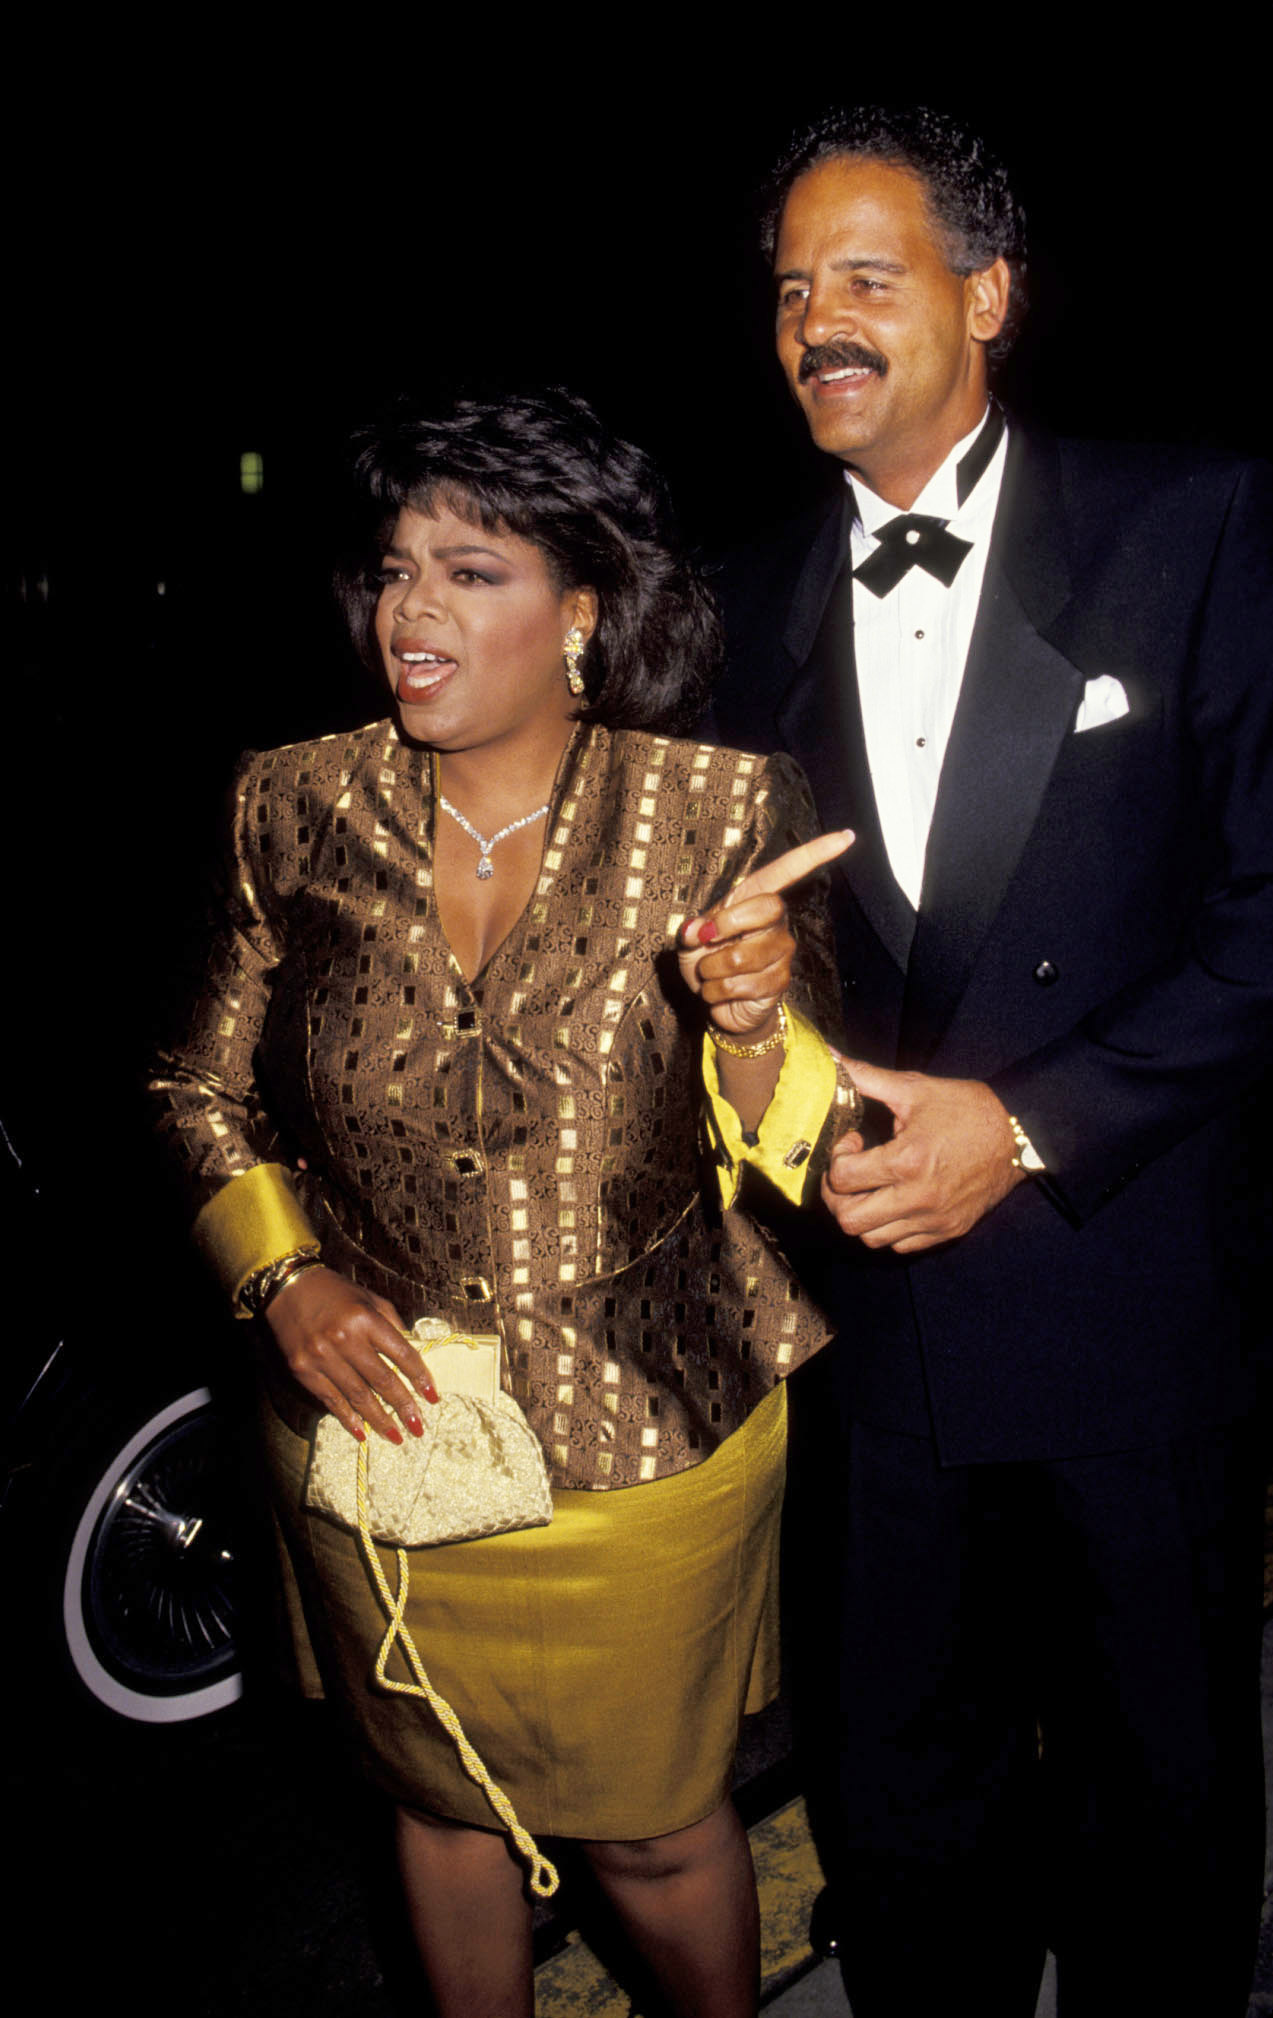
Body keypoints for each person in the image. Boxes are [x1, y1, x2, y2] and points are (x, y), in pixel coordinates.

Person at [150, 388, 856, 2018]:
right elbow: (191, 1086)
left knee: (656, 1833)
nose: (411, 611)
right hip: (379, 1426)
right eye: (397, 569)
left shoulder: (718, 813)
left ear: (584, 609)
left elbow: (805, 1145)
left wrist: (756, 1022)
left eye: (470, 572)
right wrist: (282, 1277)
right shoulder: (292, 802)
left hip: (648, 1432)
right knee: (437, 1805)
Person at [711, 106, 1273, 2016]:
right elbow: (748, 966)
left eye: (865, 277)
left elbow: (1267, 911)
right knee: (903, 1803)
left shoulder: (1191, 522)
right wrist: (737, 1000)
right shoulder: (741, 603)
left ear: (988, 294)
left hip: (1128, 1295)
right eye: (791, 289)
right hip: (874, 1327)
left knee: (1157, 1792)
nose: (816, 322)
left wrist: (1029, 1125)